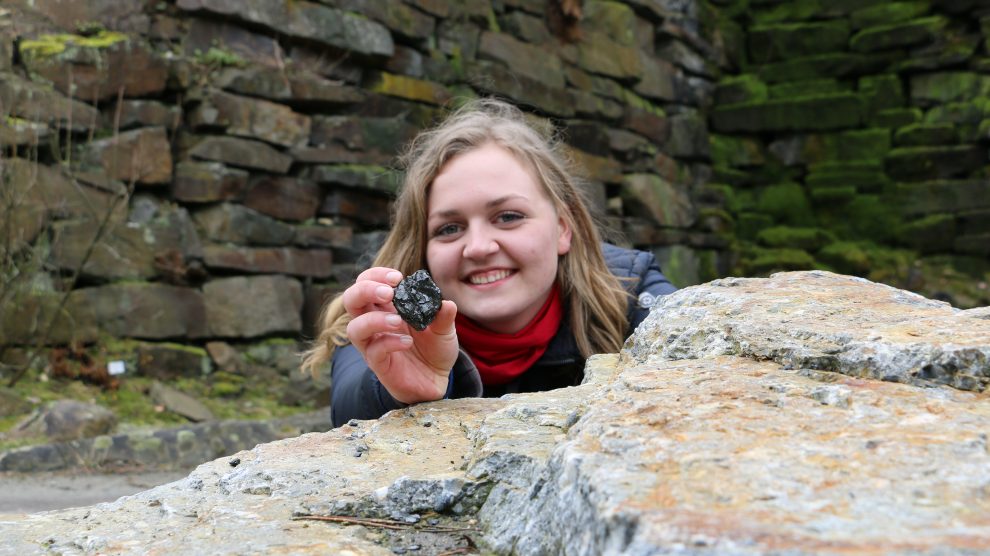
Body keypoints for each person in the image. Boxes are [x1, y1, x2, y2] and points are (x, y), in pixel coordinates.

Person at [301, 98, 677, 427]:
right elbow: (349, 406)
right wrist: (399, 391)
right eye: (449, 228)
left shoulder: (630, 289)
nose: (478, 248)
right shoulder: (381, 316)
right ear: (424, 245)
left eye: (508, 216)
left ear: (564, 228)